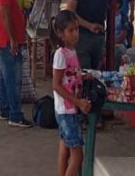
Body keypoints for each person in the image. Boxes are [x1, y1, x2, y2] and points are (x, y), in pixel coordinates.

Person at [50, 10, 92, 176]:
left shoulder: (71, 51)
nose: (75, 34)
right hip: (67, 110)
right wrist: (78, 102)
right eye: (71, 31)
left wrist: (82, 76)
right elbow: (56, 85)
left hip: (67, 109)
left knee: (65, 152)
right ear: (61, 34)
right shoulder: (61, 54)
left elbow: (69, 76)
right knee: (78, 156)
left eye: (77, 29)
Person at [0, 0, 32, 127]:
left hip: (7, 41)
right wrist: (13, 39)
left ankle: (5, 109)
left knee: (5, 76)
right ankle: (15, 115)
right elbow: (5, 15)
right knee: (13, 79)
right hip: (8, 42)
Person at [66, 0, 113, 70]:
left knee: (84, 74)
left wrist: (89, 25)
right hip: (100, 36)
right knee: (95, 73)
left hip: (82, 37)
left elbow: (70, 12)